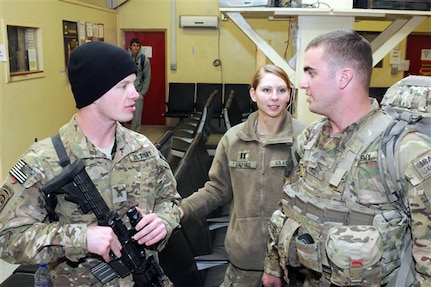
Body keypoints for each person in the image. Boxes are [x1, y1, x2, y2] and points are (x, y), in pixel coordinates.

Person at [0, 41, 181, 287]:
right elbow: (7, 238)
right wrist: (81, 238)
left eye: (133, 83)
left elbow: (171, 200)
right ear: (94, 92)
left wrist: (164, 221)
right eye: (123, 86)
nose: (135, 93)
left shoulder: (142, 148)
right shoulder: (43, 161)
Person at [262, 29, 431, 287]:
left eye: (311, 72)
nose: (303, 83)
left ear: (344, 78)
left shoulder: (403, 150)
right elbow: (288, 205)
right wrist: (274, 267)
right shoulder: (309, 139)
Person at [180, 64, 306, 287]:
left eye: (282, 90)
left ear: (290, 94)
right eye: (266, 90)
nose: (274, 98)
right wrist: (181, 209)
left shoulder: (304, 138)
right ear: (253, 93)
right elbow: (217, 190)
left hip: (290, 262)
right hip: (244, 258)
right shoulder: (233, 139)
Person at [129, 38, 151, 133]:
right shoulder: (125, 58)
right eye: (134, 45)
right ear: (130, 46)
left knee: (136, 117)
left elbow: (147, 78)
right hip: (126, 91)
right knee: (119, 115)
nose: (136, 48)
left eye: (138, 46)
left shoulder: (144, 60)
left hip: (138, 91)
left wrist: (142, 93)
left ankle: (134, 136)